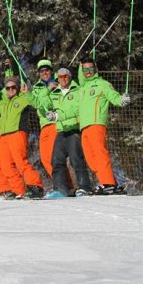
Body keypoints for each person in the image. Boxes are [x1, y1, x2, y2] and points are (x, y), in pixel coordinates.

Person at [76, 58, 130, 194]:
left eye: (90, 69)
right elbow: (80, 77)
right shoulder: (82, 88)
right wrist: (80, 64)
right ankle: (111, 183)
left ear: (96, 70)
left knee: (100, 154)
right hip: (84, 126)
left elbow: (113, 96)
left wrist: (121, 100)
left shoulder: (102, 84)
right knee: (91, 159)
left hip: (96, 124)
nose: (88, 72)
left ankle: (108, 183)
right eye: (85, 69)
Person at [0, 77, 46, 199]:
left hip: (18, 133)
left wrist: (28, 92)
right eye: (8, 88)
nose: (10, 90)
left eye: (13, 87)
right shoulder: (2, 103)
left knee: (20, 161)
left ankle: (36, 185)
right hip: (4, 137)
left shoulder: (22, 99)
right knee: (6, 165)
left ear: (17, 88)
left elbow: (35, 104)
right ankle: (18, 190)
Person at [44, 68, 93, 197]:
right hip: (61, 131)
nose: (63, 78)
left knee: (76, 159)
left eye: (65, 76)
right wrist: (47, 90)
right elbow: (41, 103)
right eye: (60, 77)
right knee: (56, 161)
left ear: (70, 77)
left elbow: (76, 109)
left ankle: (84, 187)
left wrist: (58, 116)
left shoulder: (77, 91)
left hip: (73, 129)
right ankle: (60, 189)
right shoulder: (55, 93)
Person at [31, 59, 59, 178]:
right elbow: (38, 104)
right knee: (45, 157)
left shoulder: (59, 82)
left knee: (55, 156)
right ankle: (59, 182)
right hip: (44, 124)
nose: (44, 73)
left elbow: (51, 105)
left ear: (51, 71)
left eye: (47, 70)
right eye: (41, 71)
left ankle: (64, 184)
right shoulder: (36, 88)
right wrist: (47, 90)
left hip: (56, 123)